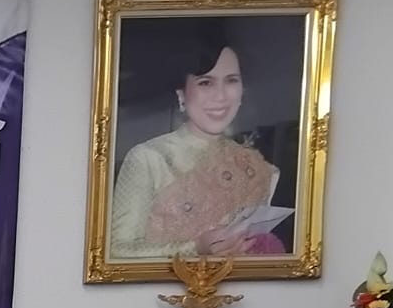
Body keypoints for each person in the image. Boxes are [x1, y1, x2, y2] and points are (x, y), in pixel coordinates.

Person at [107, 35, 287, 261]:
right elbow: (117, 251)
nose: (220, 96)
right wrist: (195, 248)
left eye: (231, 80)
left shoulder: (258, 169)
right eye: (205, 82)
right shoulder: (149, 158)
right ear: (181, 94)